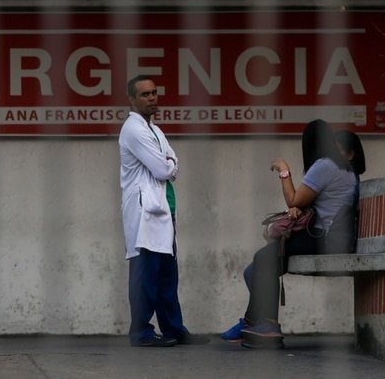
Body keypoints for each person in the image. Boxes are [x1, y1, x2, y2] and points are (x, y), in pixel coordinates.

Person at [220, 119, 357, 348]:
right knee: (252, 272)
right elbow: (313, 202)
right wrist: (298, 207)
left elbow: (293, 198)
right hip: (333, 236)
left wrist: (284, 170)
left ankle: (266, 326)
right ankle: (253, 322)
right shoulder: (343, 168)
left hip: (323, 238)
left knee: (262, 259)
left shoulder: (325, 165)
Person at [119, 75, 209, 347]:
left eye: (154, 93)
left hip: (164, 208)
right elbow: (163, 168)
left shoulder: (155, 130)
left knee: (167, 274)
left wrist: (169, 163)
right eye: (144, 94)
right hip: (144, 210)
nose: (151, 98)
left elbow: (171, 161)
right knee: (145, 276)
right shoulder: (133, 129)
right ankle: (141, 333)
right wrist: (169, 163)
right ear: (132, 100)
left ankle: (173, 328)